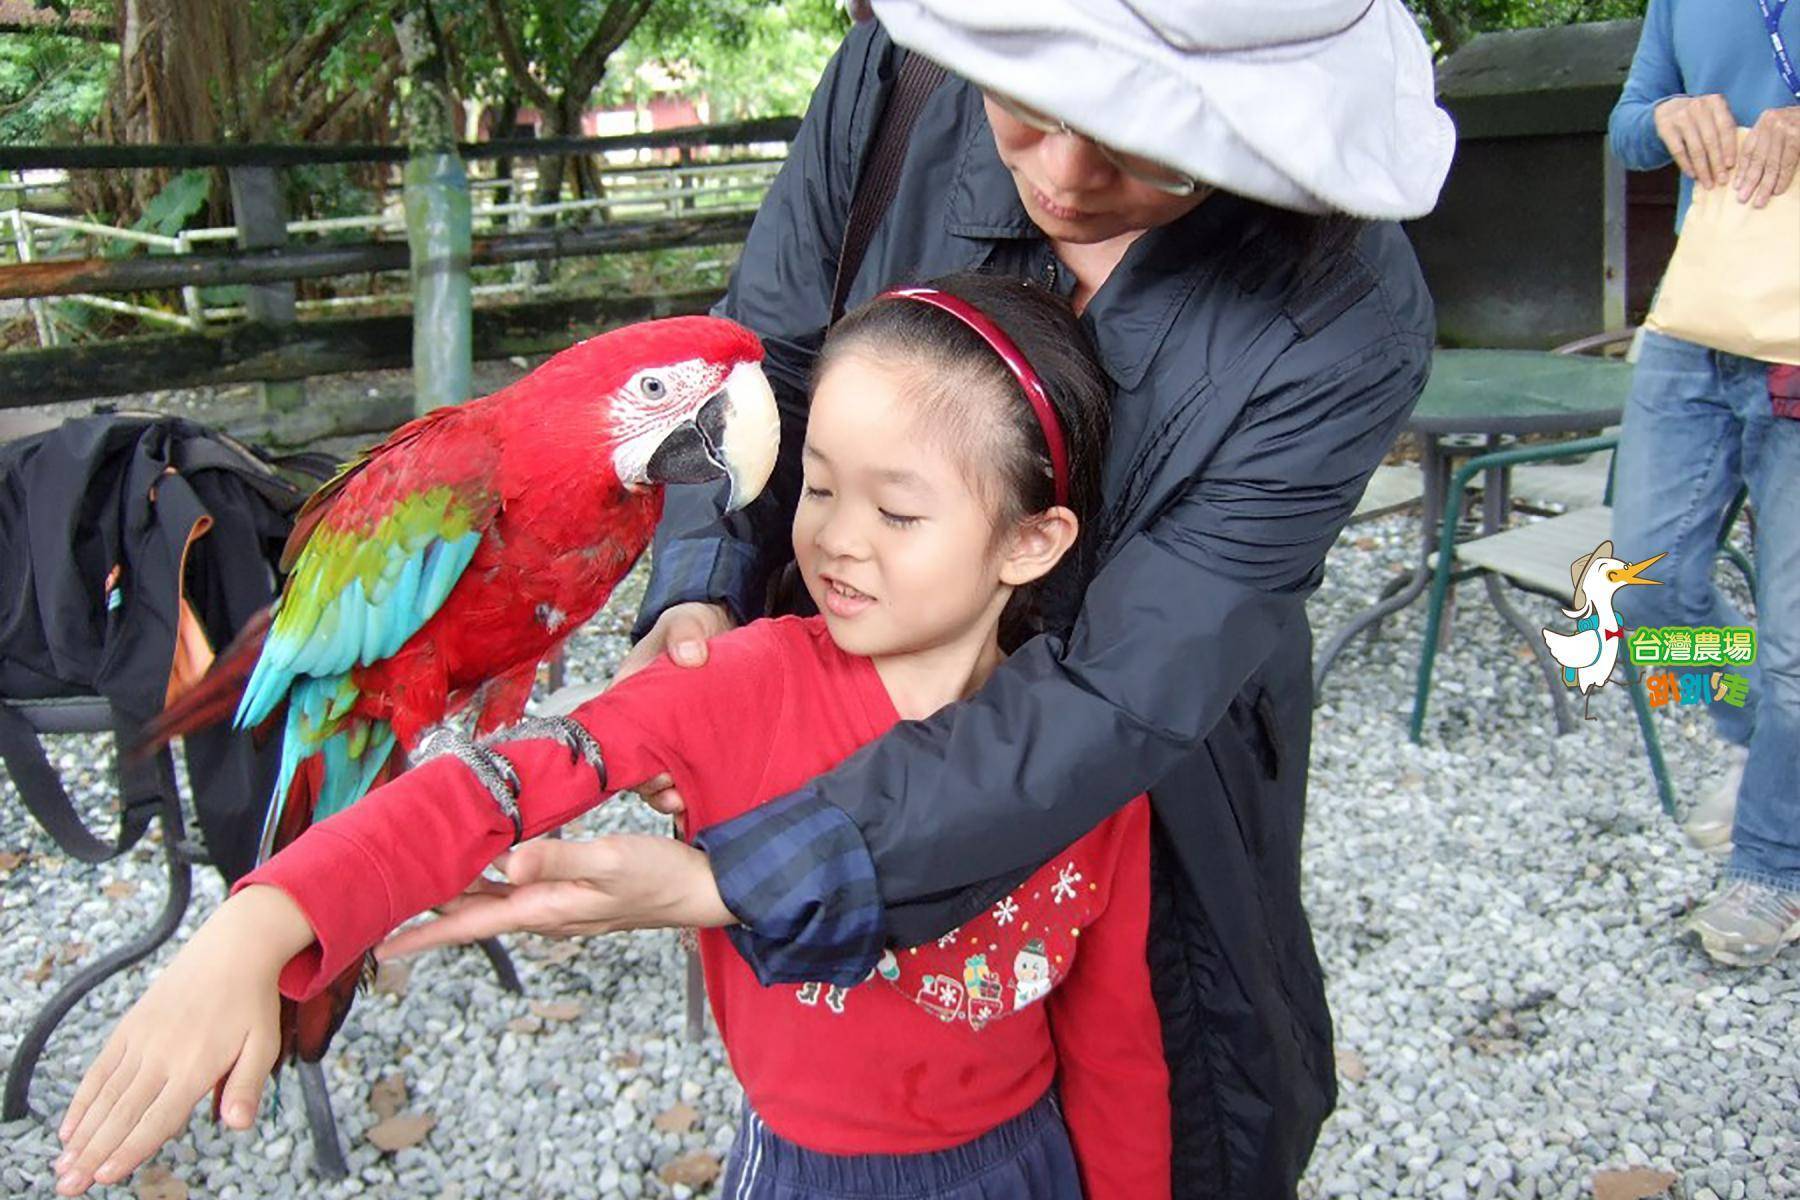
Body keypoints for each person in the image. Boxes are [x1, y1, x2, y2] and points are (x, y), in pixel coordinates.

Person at [375, 5, 1456, 1197]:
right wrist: (701, 594)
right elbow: (770, 356)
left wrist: (750, 877)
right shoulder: (906, 73)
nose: (1067, 178)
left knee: (1182, 1101)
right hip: (850, 717)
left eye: (1156, 150)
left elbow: (1127, 679)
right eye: (1030, 110)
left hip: (1143, 775)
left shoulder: (1343, 305)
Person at [53, 275, 1174, 1200]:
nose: (835, 537)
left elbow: (1118, 1048)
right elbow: (494, 784)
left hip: (1025, 1169)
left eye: (899, 511)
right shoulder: (728, 682)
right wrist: (267, 918)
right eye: (818, 489)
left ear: (1032, 545)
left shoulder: (1089, 763)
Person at [1606, 0, 1800, 967]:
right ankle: (1766, 742)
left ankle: (1772, 866)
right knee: (1639, 579)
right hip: (1698, 318)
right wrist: (1669, 120)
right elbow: (1629, 124)